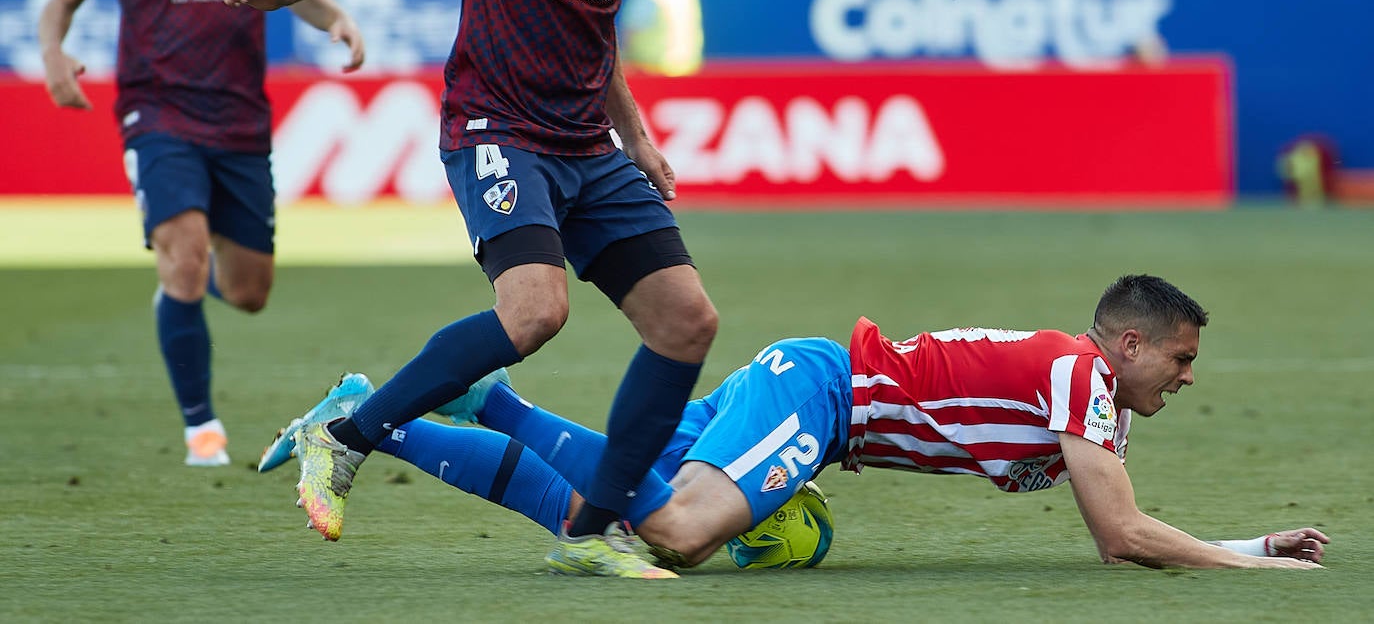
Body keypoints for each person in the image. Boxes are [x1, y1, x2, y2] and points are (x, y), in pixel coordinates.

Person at [221, 0, 740, 578]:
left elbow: (596, 21)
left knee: (688, 324)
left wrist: (636, 135)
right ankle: (345, 434)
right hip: (498, 131)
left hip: (589, 144)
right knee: (535, 312)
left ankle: (591, 535)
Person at [265, 274, 1329, 571]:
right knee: (675, 533)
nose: (1188, 377)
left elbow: (1129, 522)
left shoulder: (1082, 390)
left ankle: (429, 408)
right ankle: (395, 415)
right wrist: (1260, 567)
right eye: (1182, 357)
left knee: (616, 506)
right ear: (1132, 344)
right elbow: (1122, 537)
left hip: (808, 396)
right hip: (818, 399)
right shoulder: (1079, 376)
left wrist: (1244, 540)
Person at [37, 0, 365, 468]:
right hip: (156, 113)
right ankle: (202, 432)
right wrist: (53, 54)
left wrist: (333, 17)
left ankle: (181, 270)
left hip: (241, 121)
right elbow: (59, 3)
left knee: (248, 292)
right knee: (185, 261)